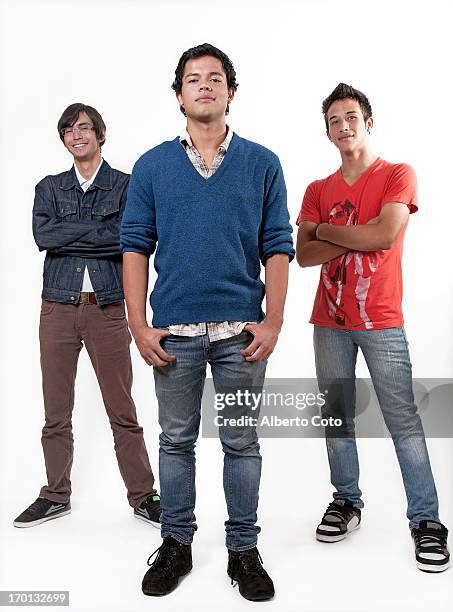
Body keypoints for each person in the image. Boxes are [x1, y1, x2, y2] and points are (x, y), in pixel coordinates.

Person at [120, 43, 294, 600]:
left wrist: (273, 321)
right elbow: (133, 247)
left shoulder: (263, 163)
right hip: (176, 333)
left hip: (242, 333)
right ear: (178, 95)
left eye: (215, 78)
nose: (204, 86)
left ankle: (243, 549)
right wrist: (137, 324)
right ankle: (176, 543)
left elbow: (277, 246)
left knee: (242, 444)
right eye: (192, 79)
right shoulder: (151, 166)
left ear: (231, 92)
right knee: (176, 442)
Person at [296, 83, 449, 572]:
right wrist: (352, 238)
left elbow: (385, 233)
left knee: (402, 419)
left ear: (368, 122)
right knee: (337, 417)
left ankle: (426, 520)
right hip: (329, 322)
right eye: (334, 121)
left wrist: (327, 231)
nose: (344, 126)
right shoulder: (318, 189)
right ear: (326, 131)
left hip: (381, 320)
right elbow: (303, 255)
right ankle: (347, 501)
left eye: (352, 117)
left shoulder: (397, 174)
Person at [14, 103, 161, 529]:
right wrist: (96, 232)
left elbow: (126, 239)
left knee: (123, 411)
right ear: (63, 140)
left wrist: (73, 233)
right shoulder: (49, 188)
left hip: (108, 310)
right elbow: (45, 235)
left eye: (84, 128)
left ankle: (143, 495)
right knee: (55, 411)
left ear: (100, 134)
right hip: (57, 309)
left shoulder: (125, 185)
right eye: (68, 130)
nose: (76, 135)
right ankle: (56, 494)